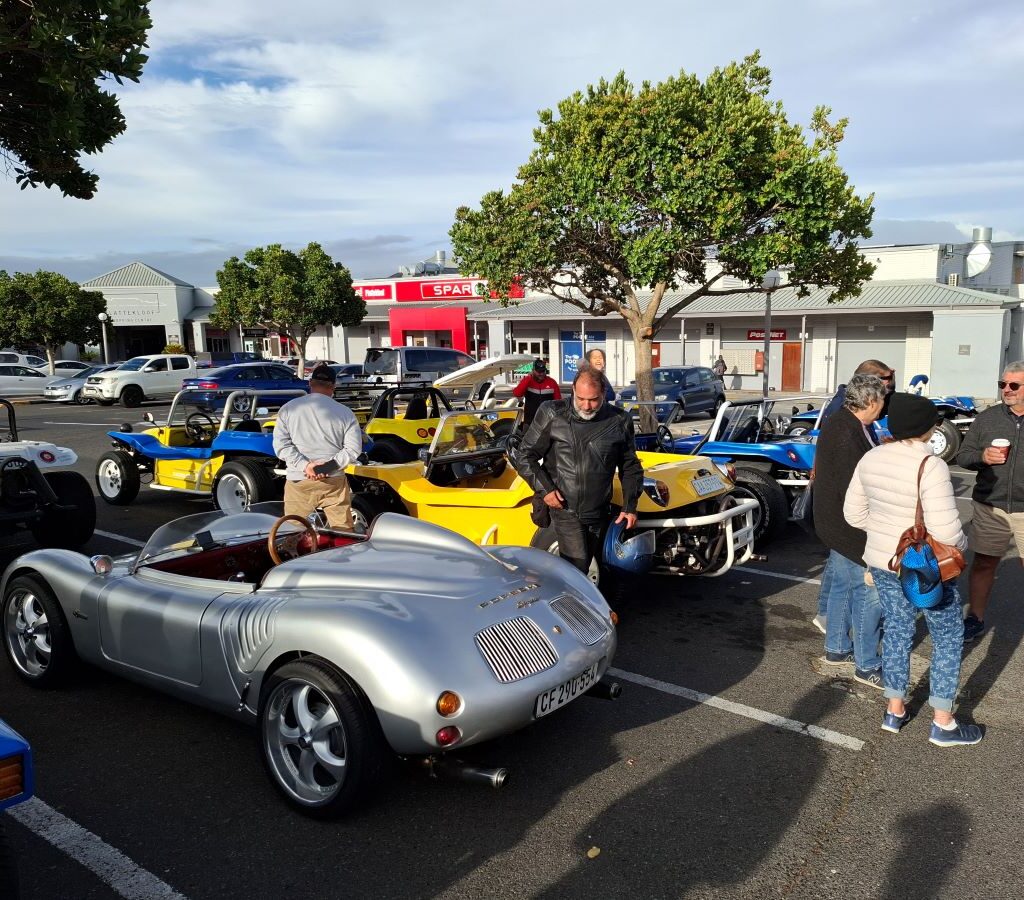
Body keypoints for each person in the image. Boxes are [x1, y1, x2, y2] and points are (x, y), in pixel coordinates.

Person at [845, 393, 981, 746]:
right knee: (948, 636)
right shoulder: (930, 464)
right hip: (923, 567)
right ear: (927, 428)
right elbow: (949, 531)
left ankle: (894, 709)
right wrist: (959, 553)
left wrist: (886, 534)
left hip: (884, 561)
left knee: (897, 630)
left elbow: (853, 515)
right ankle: (943, 722)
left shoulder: (872, 456)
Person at [517, 368, 643, 575]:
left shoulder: (620, 420)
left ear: (604, 392)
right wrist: (545, 489)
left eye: (593, 400)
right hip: (565, 507)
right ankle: (566, 605)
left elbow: (630, 466)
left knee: (584, 567)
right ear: (573, 390)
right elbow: (525, 455)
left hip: (599, 509)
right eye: (581, 398)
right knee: (578, 567)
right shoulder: (552, 412)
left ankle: (575, 604)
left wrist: (630, 505)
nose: (586, 406)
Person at [812, 374, 887, 688]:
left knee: (842, 585)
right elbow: (853, 487)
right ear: (869, 401)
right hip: (847, 522)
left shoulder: (850, 424)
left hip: (837, 520)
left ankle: (837, 648)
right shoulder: (846, 431)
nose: (884, 405)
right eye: (882, 399)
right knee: (865, 592)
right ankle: (866, 664)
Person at [955, 360, 1024, 642]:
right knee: (984, 564)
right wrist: (982, 457)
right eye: (1002, 384)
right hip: (989, 507)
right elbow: (963, 456)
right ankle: (975, 618)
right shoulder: (988, 418)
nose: (1006, 390)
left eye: (1014, 385)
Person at [272, 363, 363, 528]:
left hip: (299, 480)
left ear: (310, 383)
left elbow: (281, 446)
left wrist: (306, 466)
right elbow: (353, 449)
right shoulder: (345, 413)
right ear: (333, 386)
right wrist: (325, 468)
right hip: (333, 480)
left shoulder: (287, 409)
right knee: (343, 532)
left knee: (293, 532)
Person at [819, 358, 896, 422]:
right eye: (888, 378)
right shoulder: (844, 406)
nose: (889, 382)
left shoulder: (868, 397)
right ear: (871, 380)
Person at [513, 358, 562, 428]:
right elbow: (517, 393)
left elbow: (558, 402)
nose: (541, 374)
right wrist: (528, 378)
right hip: (530, 421)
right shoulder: (528, 381)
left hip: (547, 422)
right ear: (533, 371)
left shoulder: (552, 382)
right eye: (539, 372)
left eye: (543, 371)